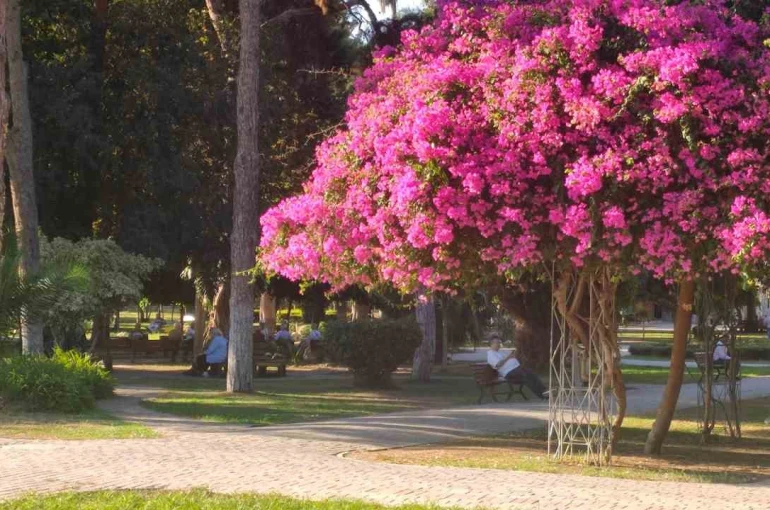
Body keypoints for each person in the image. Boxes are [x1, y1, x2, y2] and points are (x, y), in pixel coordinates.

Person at [487, 336, 547, 400]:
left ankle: (545, 391)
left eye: (499, 342)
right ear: (492, 344)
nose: (499, 344)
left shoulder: (500, 352)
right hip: (509, 373)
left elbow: (510, 358)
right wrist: (509, 357)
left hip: (517, 369)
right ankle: (542, 395)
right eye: (497, 342)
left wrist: (514, 356)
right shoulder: (491, 354)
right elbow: (498, 364)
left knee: (530, 373)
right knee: (526, 376)